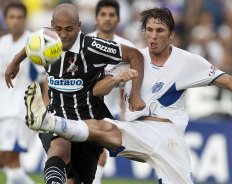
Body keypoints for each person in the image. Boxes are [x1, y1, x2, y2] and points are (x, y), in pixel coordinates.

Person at [22, 7, 232, 184]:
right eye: (149, 30)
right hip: (136, 130)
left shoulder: (188, 62)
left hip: (167, 137)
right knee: (103, 127)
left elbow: (231, 82)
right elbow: (96, 90)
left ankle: (51, 123)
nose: (153, 36)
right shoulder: (134, 57)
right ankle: (49, 122)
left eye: (159, 31)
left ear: (171, 34)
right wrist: (115, 80)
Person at [5, 3, 145, 184]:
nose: (63, 34)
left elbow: (135, 55)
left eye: (69, 29)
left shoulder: (94, 47)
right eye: (58, 29)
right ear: (52, 25)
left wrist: (135, 94)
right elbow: (31, 44)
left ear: (79, 26)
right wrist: (15, 61)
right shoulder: (46, 40)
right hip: (56, 117)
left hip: (89, 126)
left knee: (76, 180)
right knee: (59, 150)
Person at [88, 1, 135, 183]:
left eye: (111, 15)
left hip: (111, 111)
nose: (107, 18)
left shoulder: (127, 48)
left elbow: (132, 81)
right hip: (83, 109)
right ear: (96, 18)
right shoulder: (84, 42)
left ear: (118, 19)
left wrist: (126, 112)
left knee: (98, 154)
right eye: (103, 14)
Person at [0, 2, 44, 184]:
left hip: (21, 109)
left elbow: (43, 79)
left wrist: (45, 108)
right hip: (3, 107)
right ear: (5, 19)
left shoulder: (34, 44)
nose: (15, 21)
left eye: (19, 17)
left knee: (8, 157)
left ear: (25, 19)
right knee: (9, 163)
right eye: (12, 17)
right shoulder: (2, 43)